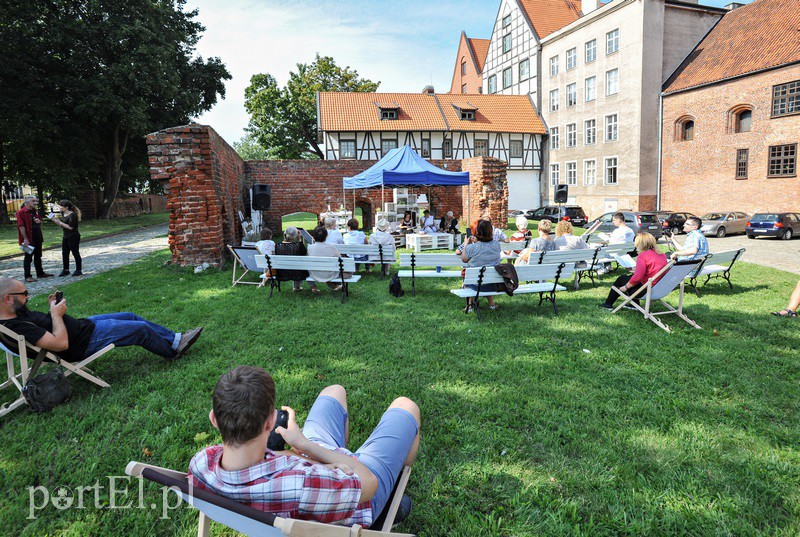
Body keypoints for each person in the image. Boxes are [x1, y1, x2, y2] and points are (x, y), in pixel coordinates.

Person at [188, 366, 420, 528]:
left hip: (318, 480)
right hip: (360, 493)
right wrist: (304, 444)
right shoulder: (302, 486)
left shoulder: (200, 464)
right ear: (270, 421)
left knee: (334, 391)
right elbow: (368, 483)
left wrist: (293, 452)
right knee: (406, 407)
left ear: (214, 419)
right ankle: (391, 500)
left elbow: (273, 464)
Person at [0, 277, 203, 361]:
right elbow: (61, 344)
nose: (27, 296)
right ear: (8, 299)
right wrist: (56, 315)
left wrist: (51, 308)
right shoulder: (17, 327)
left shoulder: (13, 313)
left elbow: (44, 325)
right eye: (24, 293)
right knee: (139, 329)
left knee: (129, 315)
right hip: (82, 342)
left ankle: (176, 340)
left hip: (83, 326)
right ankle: (172, 353)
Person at [599, 232, 667, 310]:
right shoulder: (661, 254)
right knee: (630, 278)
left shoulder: (643, 256)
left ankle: (608, 304)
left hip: (646, 290)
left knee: (622, 279)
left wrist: (625, 287)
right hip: (658, 287)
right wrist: (637, 269)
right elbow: (653, 270)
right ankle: (634, 305)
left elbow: (638, 277)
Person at [459, 219, 502, 313]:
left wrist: (466, 244)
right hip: (493, 284)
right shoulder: (496, 244)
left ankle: (469, 305)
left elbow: (464, 259)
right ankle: (491, 304)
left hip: (475, 285)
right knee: (486, 273)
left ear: (477, 232)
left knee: (468, 276)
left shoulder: (472, 247)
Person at [15, 195, 53, 283]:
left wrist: (39, 222)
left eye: (36, 201)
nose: (35, 203)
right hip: (28, 239)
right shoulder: (21, 212)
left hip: (37, 237)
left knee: (38, 256)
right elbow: (21, 226)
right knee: (28, 257)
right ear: (27, 202)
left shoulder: (35, 211)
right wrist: (25, 239)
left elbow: (40, 221)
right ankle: (27, 276)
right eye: (33, 201)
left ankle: (40, 273)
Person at [274, 227, 317, 293]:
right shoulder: (297, 246)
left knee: (296, 267)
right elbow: (304, 252)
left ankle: (297, 287)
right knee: (305, 267)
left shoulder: (277, 245)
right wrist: (299, 239)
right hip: (297, 272)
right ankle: (313, 287)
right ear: (295, 236)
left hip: (282, 272)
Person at [308, 226, 350, 291]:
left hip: (314, 274)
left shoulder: (309, 247)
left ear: (313, 236)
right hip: (330, 275)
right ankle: (335, 285)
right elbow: (340, 258)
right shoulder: (331, 247)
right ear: (326, 236)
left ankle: (313, 287)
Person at [49, 199, 83, 277]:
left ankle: (78, 270)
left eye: (60, 206)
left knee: (75, 253)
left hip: (73, 236)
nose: (59, 207)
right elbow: (63, 226)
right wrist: (56, 221)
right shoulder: (64, 214)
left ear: (66, 207)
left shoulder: (72, 215)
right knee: (65, 253)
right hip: (66, 236)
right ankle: (66, 270)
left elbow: (70, 227)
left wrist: (60, 222)